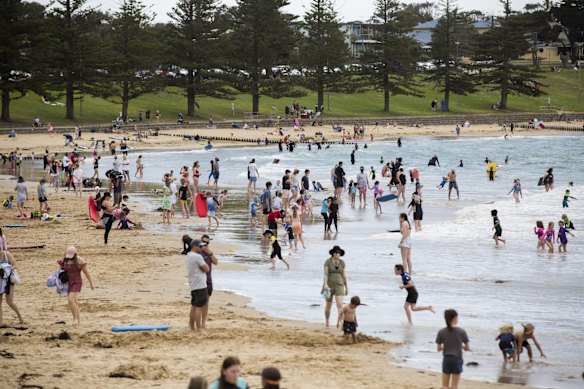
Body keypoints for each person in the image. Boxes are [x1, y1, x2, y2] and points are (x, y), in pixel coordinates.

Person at [57, 246, 95, 325]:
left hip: (77, 282)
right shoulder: (64, 259)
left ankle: (75, 319)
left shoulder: (80, 261)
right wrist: (58, 282)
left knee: (70, 300)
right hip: (68, 283)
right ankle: (78, 321)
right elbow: (59, 272)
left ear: (75, 254)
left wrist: (91, 283)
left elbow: (86, 273)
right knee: (74, 301)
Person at [436, 309, 470, 389]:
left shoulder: (441, 332)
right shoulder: (461, 331)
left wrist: (445, 346)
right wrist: (461, 346)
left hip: (446, 359)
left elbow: (438, 349)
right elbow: (467, 347)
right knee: (454, 386)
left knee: (444, 386)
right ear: (455, 318)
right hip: (457, 359)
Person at [185, 239, 210, 332]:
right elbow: (207, 269)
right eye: (200, 246)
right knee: (199, 307)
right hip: (200, 284)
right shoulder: (197, 256)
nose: (201, 248)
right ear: (194, 246)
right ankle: (199, 328)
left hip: (193, 283)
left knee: (194, 306)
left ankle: (192, 327)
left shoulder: (188, 255)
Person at [322, 246, 348, 328]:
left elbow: (344, 275)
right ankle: (327, 322)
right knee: (328, 305)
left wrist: (347, 287)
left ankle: (342, 322)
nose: (337, 254)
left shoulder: (342, 262)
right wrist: (325, 284)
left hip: (339, 285)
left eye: (339, 253)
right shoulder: (328, 262)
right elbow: (325, 274)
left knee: (340, 305)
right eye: (336, 252)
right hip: (328, 285)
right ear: (333, 253)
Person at [0, 250, 24, 325]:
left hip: (8, 281)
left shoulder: (6, 254)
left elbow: (15, 265)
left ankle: (19, 316)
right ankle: (0, 321)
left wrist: (7, 269)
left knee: (9, 302)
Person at [200, 234, 218, 329]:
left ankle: (203, 323)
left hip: (209, 281)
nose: (205, 244)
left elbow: (216, 262)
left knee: (206, 303)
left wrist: (210, 253)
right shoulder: (198, 253)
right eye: (204, 242)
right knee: (198, 304)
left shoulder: (209, 253)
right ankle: (197, 323)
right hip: (200, 282)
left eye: (207, 243)